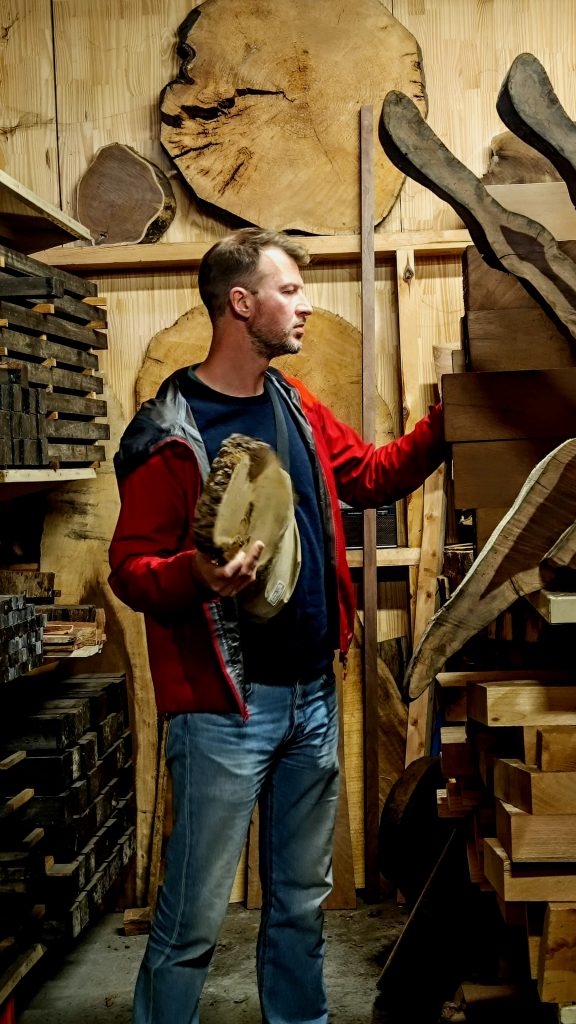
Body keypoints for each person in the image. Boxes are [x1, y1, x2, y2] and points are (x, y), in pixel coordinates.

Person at [108, 227, 446, 1024]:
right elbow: (130, 566)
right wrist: (191, 576)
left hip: (312, 701)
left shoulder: (292, 403)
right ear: (240, 302)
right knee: (191, 922)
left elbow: (365, 474)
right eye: (288, 289)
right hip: (226, 714)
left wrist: (444, 423)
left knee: (300, 908)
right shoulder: (172, 433)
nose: (304, 304)